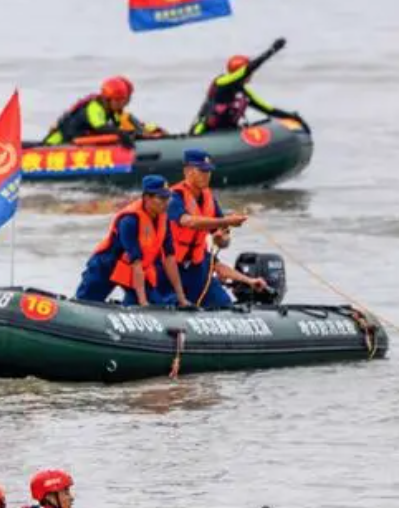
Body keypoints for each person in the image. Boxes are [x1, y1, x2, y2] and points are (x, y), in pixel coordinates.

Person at [157, 149, 270, 308]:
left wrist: (221, 238)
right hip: (169, 269)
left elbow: (223, 240)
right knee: (172, 305)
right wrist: (227, 221)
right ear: (188, 171)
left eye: (208, 171)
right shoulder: (173, 197)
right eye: (201, 171)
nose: (206, 175)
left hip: (197, 269)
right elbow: (189, 222)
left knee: (225, 306)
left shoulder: (209, 198)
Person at [75, 174, 189, 307]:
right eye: (162, 198)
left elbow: (169, 259)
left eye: (168, 198)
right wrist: (143, 302)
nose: (166, 203)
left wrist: (182, 298)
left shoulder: (164, 220)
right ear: (147, 198)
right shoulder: (130, 220)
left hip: (134, 272)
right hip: (107, 266)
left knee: (157, 305)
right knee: (85, 303)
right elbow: (136, 262)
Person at [190, 38, 302, 135]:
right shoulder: (221, 82)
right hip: (203, 133)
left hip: (226, 134)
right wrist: (272, 50)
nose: (251, 75)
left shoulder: (243, 94)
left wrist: (292, 116)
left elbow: (268, 109)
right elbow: (249, 68)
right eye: (249, 73)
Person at [44, 77, 141, 146]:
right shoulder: (94, 107)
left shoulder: (112, 112)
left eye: (122, 100)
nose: (121, 104)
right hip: (57, 143)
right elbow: (101, 127)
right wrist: (121, 134)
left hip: (75, 143)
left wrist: (133, 134)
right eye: (117, 100)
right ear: (107, 99)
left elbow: (118, 127)